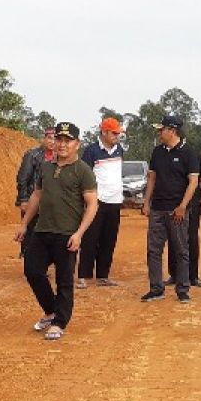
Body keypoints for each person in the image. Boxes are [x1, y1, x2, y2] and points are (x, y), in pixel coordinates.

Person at [15, 122, 99, 340]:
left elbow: (92, 205)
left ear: (77, 144)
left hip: (67, 233)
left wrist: (79, 233)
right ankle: (52, 311)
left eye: (67, 141)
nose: (62, 144)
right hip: (42, 230)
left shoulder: (83, 171)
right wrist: (24, 224)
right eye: (59, 139)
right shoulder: (46, 166)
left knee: (64, 280)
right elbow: (36, 195)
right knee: (32, 270)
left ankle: (59, 323)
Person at [140, 115, 200, 303]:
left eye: (162, 129)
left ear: (172, 131)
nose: (159, 133)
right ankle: (156, 288)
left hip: (177, 210)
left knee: (181, 249)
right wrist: (146, 202)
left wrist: (182, 206)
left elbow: (193, 182)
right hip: (157, 208)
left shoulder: (189, 153)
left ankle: (182, 289)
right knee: (153, 250)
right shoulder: (157, 152)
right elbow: (152, 178)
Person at [78, 117, 126, 288]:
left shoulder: (119, 150)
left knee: (109, 239)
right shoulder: (91, 151)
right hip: (96, 202)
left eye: (118, 133)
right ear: (104, 132)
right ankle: (83, 276)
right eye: (113, 133)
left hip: (115, 201)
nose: (117, 136)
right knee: (90, 239)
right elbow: (83, 176)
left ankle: (103, 276)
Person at [167, 147, 201, 287]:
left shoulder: (194, 154)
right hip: (172, 202)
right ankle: (174, 274)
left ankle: (193, 276)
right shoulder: (166, 154)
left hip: (192, 204)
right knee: (174, 237)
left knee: (191, 237)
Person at [14, 128, 55, 257]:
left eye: (55, 138)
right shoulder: (32, 155)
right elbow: (22, 178)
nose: (52, 141)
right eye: (49, 138)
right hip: (33, 200)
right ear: (44, 138)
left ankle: (40, 261)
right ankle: (27, 257)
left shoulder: (58, 157)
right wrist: (23, 199)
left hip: (49, 203)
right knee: (30, 231)